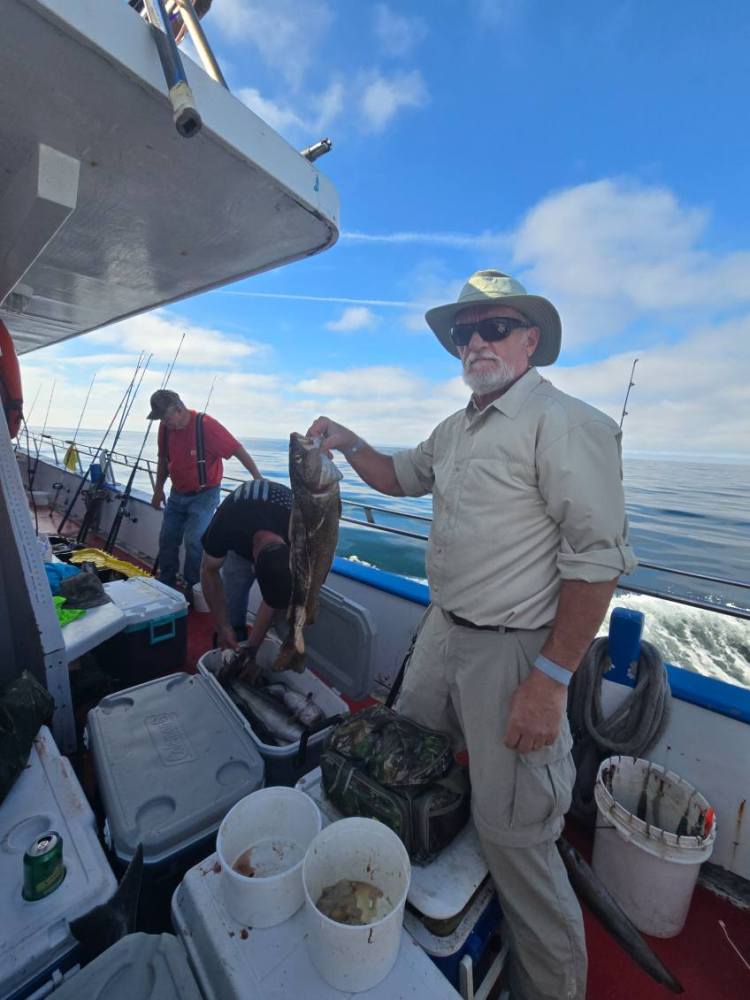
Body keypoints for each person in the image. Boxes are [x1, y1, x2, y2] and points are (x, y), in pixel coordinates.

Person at [307, 269, 637, 1000]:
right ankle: (407, 919)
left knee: (518, 837)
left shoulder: (568, 425)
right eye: (466, 331)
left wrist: (549, 682)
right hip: (442, 633)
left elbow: (596, 564)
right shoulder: (456, 429)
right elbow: (397, 476)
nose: (477, 341)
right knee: (407, 766)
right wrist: (350, 440)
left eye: (496, 327)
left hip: (518, 652)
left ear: (531, 341)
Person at [148, 389, 261, 598]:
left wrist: (257, 478)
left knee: (194, 539)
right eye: (161, 418)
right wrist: (158, 490)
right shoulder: (165, 428)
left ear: (179, 409)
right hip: (177, 492)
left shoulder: (207, 426)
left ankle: (194, 587)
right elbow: (163, 459)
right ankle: (167, 581)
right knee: (167, 537)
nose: (164, 422)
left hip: (204, 495)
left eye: (166, 416)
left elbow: (237, 450)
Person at [200, 479, 294, 655]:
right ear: (253, 569)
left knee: (281, 602)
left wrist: (253, 648)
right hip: (239, 545)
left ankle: (249, 650)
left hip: (283, 534)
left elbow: (273, 596)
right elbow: (208, 570)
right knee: (231, 606)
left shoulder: (297, 528)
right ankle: (232, 637)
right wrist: (223, 626)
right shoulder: (227, 520)